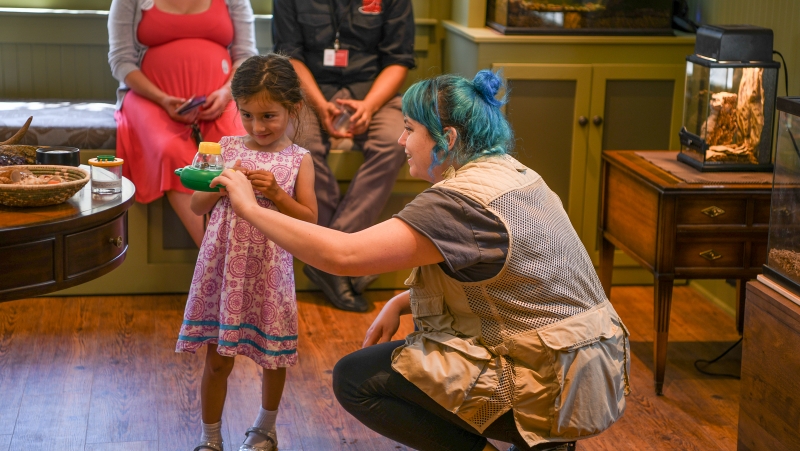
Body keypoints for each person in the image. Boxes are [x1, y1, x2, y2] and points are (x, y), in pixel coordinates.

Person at [209, 69, 631, 451]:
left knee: (356, 380)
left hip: (560, 384)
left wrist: (250, 208)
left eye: (408, 129)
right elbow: (524, 284)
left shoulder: (459, 204)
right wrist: (401, 302)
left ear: (445, 139)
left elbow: (343, 255)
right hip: (593, 367)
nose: (400, 140)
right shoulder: (511, 172)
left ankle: (535, 437)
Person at [175, 54, 317, 451]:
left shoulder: (299, 161)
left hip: (270, 272)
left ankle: (265, 429)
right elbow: (196, 207)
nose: (258, 126)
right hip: (224, 270)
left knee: (273, 358)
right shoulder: (224, 147)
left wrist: (273, 192)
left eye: (269, 116)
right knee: (217, 359)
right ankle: (209, 437)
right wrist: (221, 181)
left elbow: (309, 219)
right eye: (248, 115)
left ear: (294, 108)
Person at [272, 0, 416, 312]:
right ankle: (348, 259)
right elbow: (289, 55)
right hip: (308, 93)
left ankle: (330, 256)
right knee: (303, 148)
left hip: (374, 92)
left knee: (396, 141)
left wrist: (369, 106)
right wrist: (321, 105)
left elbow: (399, 59)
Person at [108, 0, 259, 247]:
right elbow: (121, 61)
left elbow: (246, 56)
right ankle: (214, 255)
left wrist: (226, 93)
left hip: (223, 97)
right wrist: (163, 99)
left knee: (238, 150)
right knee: (170, 150)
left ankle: (241, 249)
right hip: (151, 99)